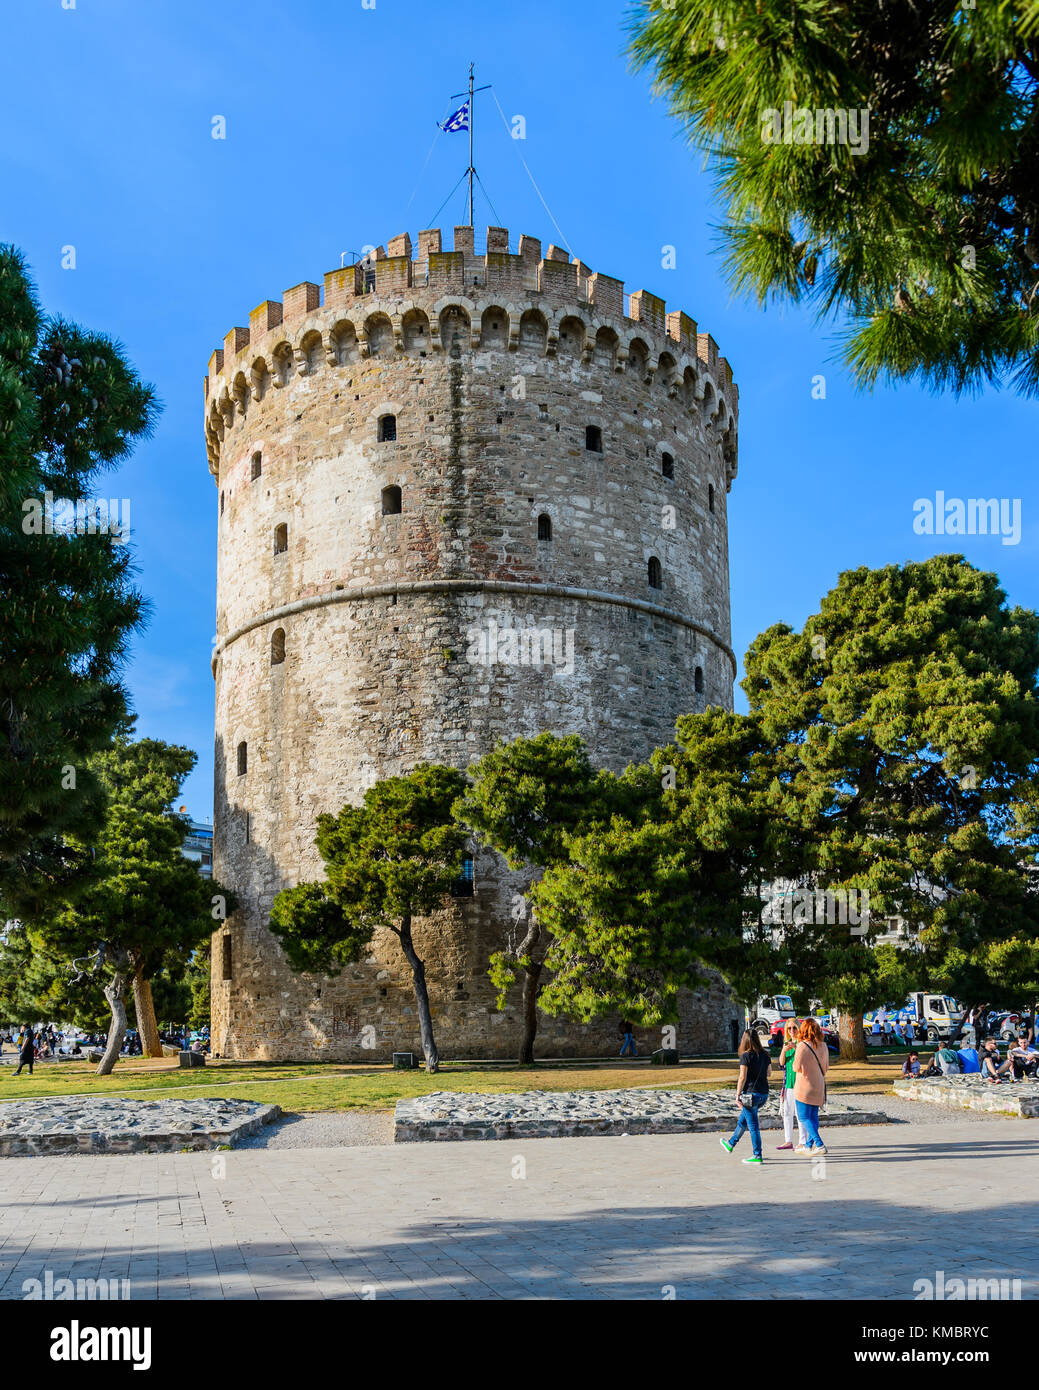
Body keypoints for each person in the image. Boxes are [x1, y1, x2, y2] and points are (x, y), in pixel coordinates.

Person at [719, 1028, 771, 1164]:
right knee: (743, 1121)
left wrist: (737, 1095)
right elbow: (769, 1073)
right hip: (763, 1094)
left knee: (753, 1127)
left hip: (750, 1095)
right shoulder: (766, 1054)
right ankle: (730, 1143)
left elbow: (742, 1077)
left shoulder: (745, 1056)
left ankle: (757, 1155)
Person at [793, 1017, 829, 1154]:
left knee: (803, 1117)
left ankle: (819, 1144)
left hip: (804, 1086)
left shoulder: (802, 1046)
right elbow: (826, 1067)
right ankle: (808, 1145)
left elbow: (796, 1067)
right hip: (819, 1084)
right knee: (813, 1116)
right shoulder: (824, 1046)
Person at [776, 1020, 806, 1151]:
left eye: (794, 1028)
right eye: (789, 1029)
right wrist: (784, 1050)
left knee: (800, 1114)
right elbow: (781, 1064)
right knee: (787, 1113)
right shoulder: (786, 1044)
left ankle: (802, 1141)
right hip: (788, 1084)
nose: (792, 1031)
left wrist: (796, 1048)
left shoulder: (802, 1043)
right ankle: (788, 1140)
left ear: (799, 1028)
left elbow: (806, 1062)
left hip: (800, 1084)